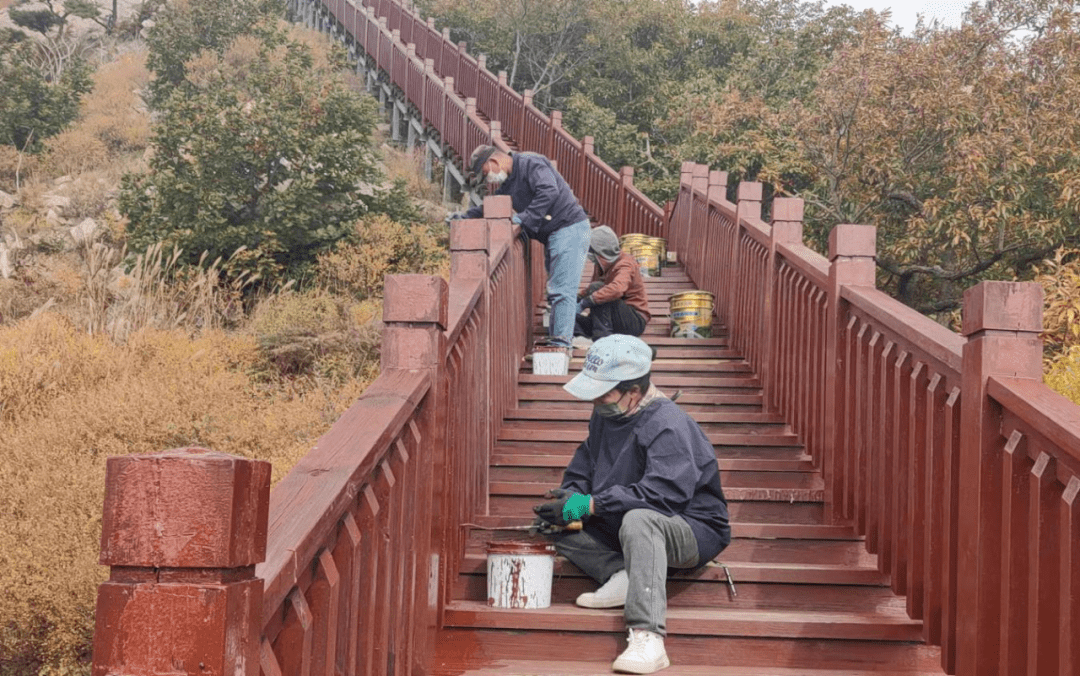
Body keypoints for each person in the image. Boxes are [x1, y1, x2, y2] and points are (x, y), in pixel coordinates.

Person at [533, 334, 730, 674]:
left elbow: (662, 496)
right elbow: (586, 462)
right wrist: (571, 497)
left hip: (689, 526)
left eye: (603, 394)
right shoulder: (606, 417)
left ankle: (648, 636)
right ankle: (620, 572)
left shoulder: (668, 423)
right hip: (622, 519)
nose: (596, 402)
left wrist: (590, 505)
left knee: (641, 519)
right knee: (556, 520)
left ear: (634, 392)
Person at [449, 145, 590, 350]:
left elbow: (549, 190)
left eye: (486, 173)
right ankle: (561, 338)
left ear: (494, 162)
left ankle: (561, 344)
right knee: (557, 290)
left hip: (570, 228)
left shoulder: (531, 162)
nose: (489, 180)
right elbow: (490, 206)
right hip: (554, 234)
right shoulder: (509, 183)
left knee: (562, 290)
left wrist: (524, 218)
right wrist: (463, 217)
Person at [574, 225, 651, 349]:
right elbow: (590, 290)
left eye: (592, 252)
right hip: (608, 321)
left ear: (601, 251)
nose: (590, 257)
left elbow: (616, 289)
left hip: (633, 321)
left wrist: (585, 303)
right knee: (569, 316)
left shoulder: (626, 263)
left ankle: (602, 340)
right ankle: (580, 337)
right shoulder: (600, 265)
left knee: (599, 289)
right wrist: (575, 300)